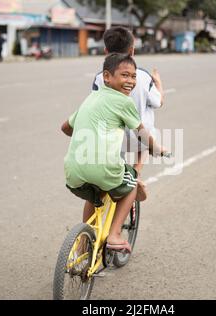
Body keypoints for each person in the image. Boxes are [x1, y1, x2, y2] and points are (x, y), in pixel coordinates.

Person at [61, 53, 167, 253]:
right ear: (107, 77)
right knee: (132, 186)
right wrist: (156, 149)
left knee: (95, 195)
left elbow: (65, 128)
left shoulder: (91, 97)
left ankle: (84, 245)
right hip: (104, 169)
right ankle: (115, 234)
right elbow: (142, 134)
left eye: (133, 76)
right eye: (125, 75)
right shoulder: (123, 102)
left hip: (73, 172)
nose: (130, 81)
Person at [92, 27, 165, 201]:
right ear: (132, 51)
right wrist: (159, 83)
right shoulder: (143, 76)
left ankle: (120, 176)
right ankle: (136, 173)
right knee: (149, 133)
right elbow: (158, 102)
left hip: (111, 143)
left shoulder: (102, 77)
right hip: (139, 139)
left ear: (105, 52)